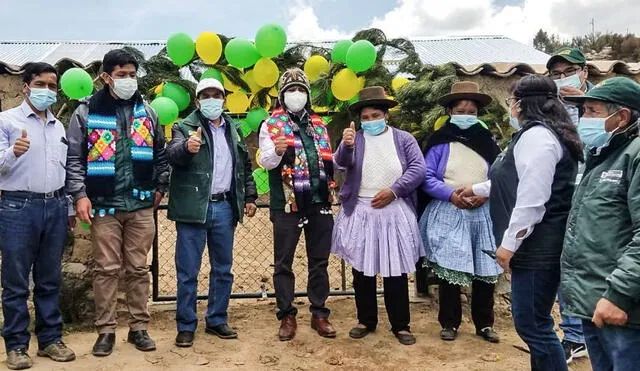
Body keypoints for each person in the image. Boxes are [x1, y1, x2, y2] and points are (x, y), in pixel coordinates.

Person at [457, 75, 583, 371]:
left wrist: (508, 245)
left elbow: (532, 200)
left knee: (531, 325)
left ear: (522, 104)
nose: (510, 108)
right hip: (537, 243)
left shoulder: (538, 137)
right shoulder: (541, 134)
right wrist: (477, 189)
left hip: (538, 246)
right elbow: (515, 179)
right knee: (536, 321)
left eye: (511, 101)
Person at [66, 49, 170, 356]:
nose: (128, 80)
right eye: (122, 75)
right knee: (106, 269)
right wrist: (80, 195)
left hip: (140, 205)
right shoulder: (85, 112)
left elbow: (160, 155)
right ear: (106, 77)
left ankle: (139, 327)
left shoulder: (147, 113)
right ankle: (106, 330)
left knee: (138, 269)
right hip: (104, 205)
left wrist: (160, 189)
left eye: (132, 74)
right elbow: (74, 159)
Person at [166, 78, 258, 347]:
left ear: (224, 99)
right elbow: (171, 154)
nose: (211, 99)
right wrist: (186, 148)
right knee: (187, 271)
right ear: (197, 101)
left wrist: (250, 195)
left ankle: (217, 320)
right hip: (194, 209)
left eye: (216, 95)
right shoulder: (184, 127)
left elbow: (243, 165)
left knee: (223, 269)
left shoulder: (233, 128)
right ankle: (186, 325)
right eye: (205, 95)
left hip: (224, 208)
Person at [332, 86, 425, 345]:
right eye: (366, 117)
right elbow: (340, 163)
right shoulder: (355, 139)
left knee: (395, 269)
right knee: (363, 269)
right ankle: (366, 320)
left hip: (393, 210)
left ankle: (401, 325)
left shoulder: (403, 139)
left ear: (386, 115)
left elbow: (418, 168)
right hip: (362, 210)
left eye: (376, 115)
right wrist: (346, 145)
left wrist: (395, 191)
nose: (371, 121)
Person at [560, 77, 640, 371]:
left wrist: (619, 295)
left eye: (592, 111)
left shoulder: (635, 155)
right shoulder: (603, 156)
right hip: (594, 302)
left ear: (622, 117)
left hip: (623, 307)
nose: (584, 120)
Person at [0, 63, 76, 370]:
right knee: (16, 281)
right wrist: (12, 153)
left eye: (52, 85)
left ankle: (50, 340)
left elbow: (64, 169)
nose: (48, 90)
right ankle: (17, 346)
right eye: (41, 84)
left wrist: (69, 207)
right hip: (17, 207)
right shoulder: (6, 121)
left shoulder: (57, 126)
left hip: (55, 207)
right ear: (26, 87)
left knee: (49, 279)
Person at [419, 81, 502, 343]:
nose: (466, 115)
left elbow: (500, 175)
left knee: (484, 269)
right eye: (460, 110)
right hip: (449, 210)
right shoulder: (439, 141)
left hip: (481, 212)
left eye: (471, 111)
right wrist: (451, 194)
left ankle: (484, 324)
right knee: (450, 268)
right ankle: (450, 322)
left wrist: (483, 193)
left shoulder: (488, 142)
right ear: (450, 111)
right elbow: (427, 176)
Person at [258, 68, 336, 341]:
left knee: (319, 260)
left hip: (319, 200)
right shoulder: (271, 124)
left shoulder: (319, 124)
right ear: (281, 95)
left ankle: (319, 313)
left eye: (301, 89)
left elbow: (328, 160)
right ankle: (287, 315)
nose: (296, 94)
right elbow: (265, 161)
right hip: (287, 203)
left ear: (308, 94)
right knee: (283, 262)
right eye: (290, 90)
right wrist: (278, 151)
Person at [547, 47, 593, 364]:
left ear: (585, 72)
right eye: (557, 74)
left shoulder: (607, 104)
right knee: (567, 267)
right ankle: (575, 336)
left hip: (600, 198)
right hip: (563, 199)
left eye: (569, 71)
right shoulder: (552, 111)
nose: (563, 78)